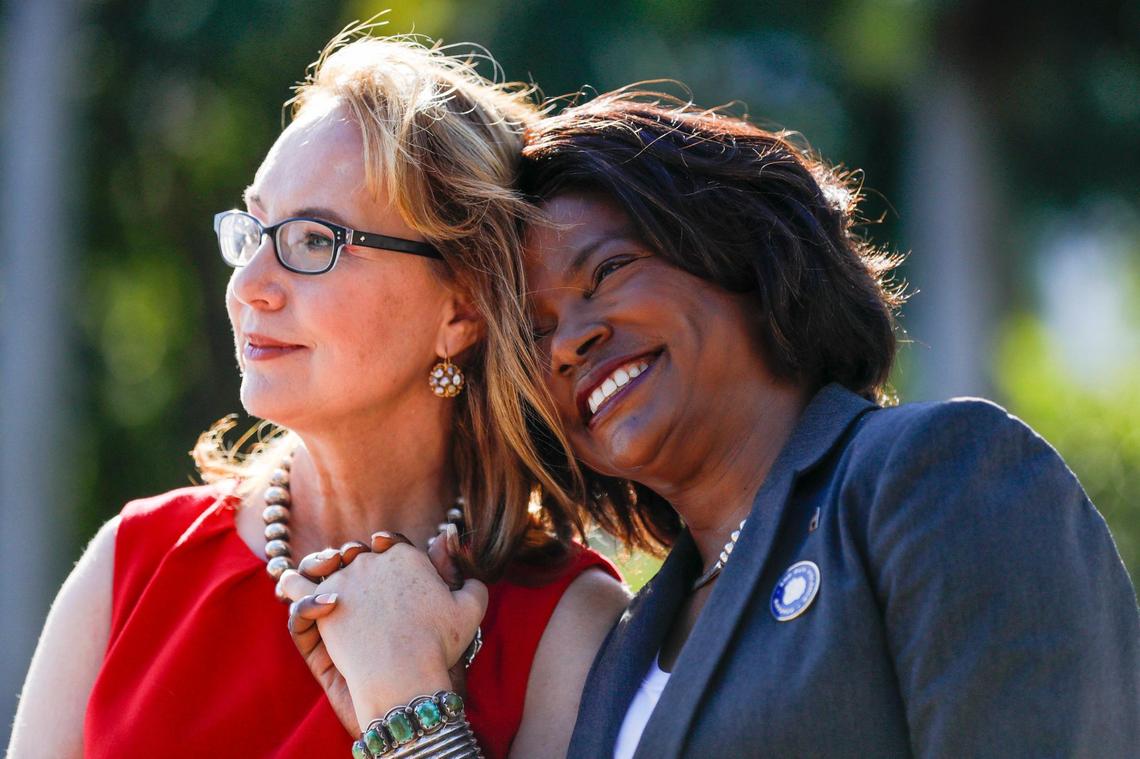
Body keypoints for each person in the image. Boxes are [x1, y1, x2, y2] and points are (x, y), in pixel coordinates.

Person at [6, 30, 627, 759]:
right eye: (256, 230)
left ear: (463, 307)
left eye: (313, 241)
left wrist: (414, 710)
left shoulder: (567, 623)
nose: (248, 287)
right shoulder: (132, 564)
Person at [513, 89, 1140, 757]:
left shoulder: (936, 473)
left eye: (606, 271)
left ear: (742, 249)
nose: (565, 345)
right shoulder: (621, 641)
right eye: (536, 332)